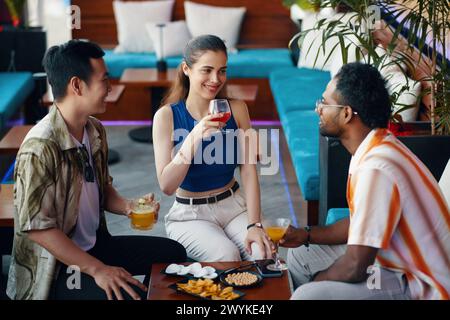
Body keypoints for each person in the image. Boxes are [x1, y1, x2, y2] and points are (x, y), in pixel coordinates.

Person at [6, 40, 186, 300]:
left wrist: (128, 206)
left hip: (96, 246)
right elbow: (37, 228)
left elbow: (100, 187)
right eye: (104, 80)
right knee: (128, 294)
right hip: (55, 268)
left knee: (173, 255)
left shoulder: (94, 130)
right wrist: (98, 270)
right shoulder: (40, 146)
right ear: (77, 85)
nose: (110, 88)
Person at [281, 62, 450, 300]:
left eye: (325, 103)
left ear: (347, 113)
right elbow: (359, 222)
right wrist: (306, 234)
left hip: (419, 283)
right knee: (301, 255)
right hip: (391, 260)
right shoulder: (374, 145)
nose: (318, 109)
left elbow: (355, 266)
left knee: (307, 296)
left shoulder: (376, 167)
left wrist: (317, 281)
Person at [153, 35, 273, 262]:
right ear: (186, 69)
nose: (215, 79)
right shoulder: (166, 117)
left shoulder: (236, 109)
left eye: (222, 71)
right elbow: (167, 186)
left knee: (263, 253)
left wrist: (254, 224)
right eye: (206, 70)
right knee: (228, 256)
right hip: (191, 215)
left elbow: (248, 171)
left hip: (234, 205)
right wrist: (195, 136)